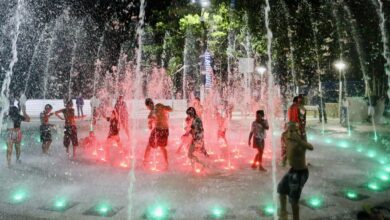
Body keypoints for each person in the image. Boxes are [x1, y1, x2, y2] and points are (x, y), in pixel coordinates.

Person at [278, 122, 314, 220]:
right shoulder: (287, 138)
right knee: (281, 189)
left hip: (301, 172)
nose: (293, 132)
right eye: (290, 130)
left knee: (293, 201)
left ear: (298, 131)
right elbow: (287, 150)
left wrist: (300, 141)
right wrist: (284, 159)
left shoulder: (300, 141)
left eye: (295, 130)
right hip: (292, 170)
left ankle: (295, 218)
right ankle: (283, 213)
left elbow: (311, 147)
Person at [143, 98, 173, 170]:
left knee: (149, 146)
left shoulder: (156, 109)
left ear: (149, 105)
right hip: (165, 129)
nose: (148, 109)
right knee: (162, 147)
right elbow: (170, 109)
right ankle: (166, 164)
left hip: (158, 130)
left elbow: (150, 127)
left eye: (148, 107)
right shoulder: (158, 107)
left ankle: (145, 162)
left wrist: (165, 109)